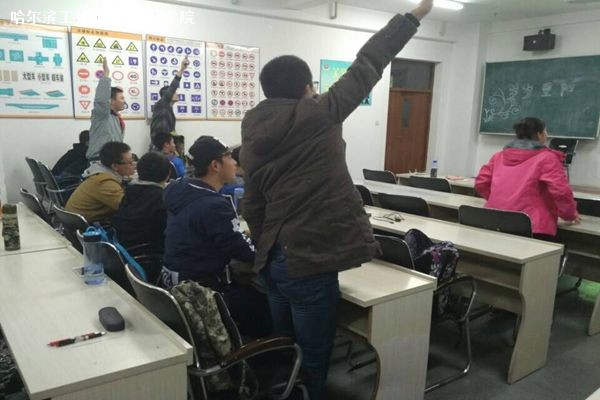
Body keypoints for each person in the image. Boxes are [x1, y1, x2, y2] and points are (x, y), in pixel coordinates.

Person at [239, 1, 433, 398]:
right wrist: (412, 17)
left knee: (287, 348)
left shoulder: (252, 130)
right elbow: (369, 62)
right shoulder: (320, 112)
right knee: (314, 358)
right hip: (310, 259)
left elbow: (253, 203)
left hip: (273, 260)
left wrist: (264, 245)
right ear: (306, 87)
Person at [160, 136, 271, 338]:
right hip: (203, 296)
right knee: (269, 299)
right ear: (215, 165)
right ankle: (275, 352)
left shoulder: (179, 188)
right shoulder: (213, 205)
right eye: (229, 157)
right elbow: (246, 252)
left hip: (174, 286)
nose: (235, 162)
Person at [475, 117, 580, 237]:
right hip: (533, 226)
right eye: (545, 131)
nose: (547, 135)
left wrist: (500, 201)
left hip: (495, 220)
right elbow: (561, 191)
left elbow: (481, 183)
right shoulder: (547, 158)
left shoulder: (498, 156)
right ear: (539, 134)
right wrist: (570, 215)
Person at [112, 151, 170, 251]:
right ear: (168, 174)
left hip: (122, 246)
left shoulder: (130, 190)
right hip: (148, 251)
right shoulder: (161, 198)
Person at [66, 142, 135, 223]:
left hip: (78, 220)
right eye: (130, 162)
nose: (133, 165)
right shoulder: (104, 182)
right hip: (86, 226)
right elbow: (129, 209)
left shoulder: (99, 172)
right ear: (114, 166)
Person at [86, 56, 126, 162]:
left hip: (113, 161)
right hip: (99, 161)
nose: (124, 101)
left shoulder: (116, 118)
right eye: (121, 98)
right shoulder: (102, 114)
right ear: (111, 101)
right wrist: (106, 76)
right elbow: (101, 100)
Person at [150, 56, 190, 144]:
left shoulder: (168, 109)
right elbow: (173, 86)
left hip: (166, 146)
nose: (177, 93)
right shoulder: (162, 104)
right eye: (174, 92)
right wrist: (182, 69)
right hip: (159, 147)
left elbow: (172, 131)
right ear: (167, 95)